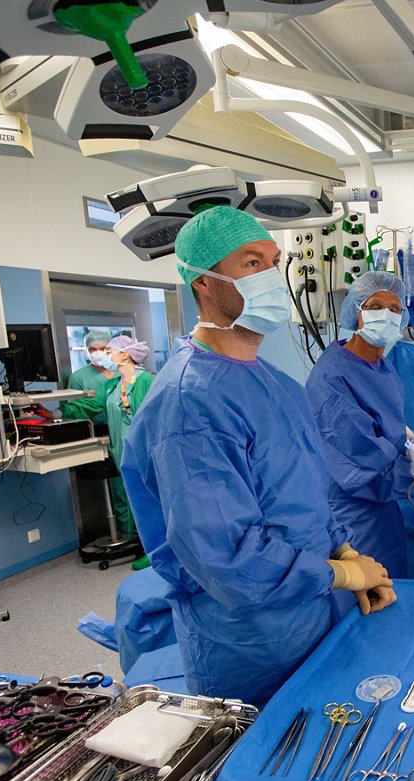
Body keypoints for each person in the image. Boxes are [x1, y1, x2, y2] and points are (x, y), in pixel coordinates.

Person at [121, 206, 396, 707]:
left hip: (313, 614)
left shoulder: (277, 384)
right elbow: (227, 559)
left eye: (274, 261)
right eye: (251, 263)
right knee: (264, 762)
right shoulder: (190, 404)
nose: (271, 277)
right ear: (203, 282)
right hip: (251, 642)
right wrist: (340, 576)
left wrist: (343, 552)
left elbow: (305, 494)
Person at [305, 271, 413, 576]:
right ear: (357, 311)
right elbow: (361, 461)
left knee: (391, 584)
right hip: (352, 515)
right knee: (362, 599)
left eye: (395, 309)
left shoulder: (383, 368)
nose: (386, 315)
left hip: (383, 509)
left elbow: (391, 434)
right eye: (376, 306)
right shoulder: (332, 377)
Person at [60, 330, 131, 527]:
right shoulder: (83, 379)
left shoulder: (134, 377)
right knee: (121, 490)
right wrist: (54, 416)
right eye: (93, 349)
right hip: (105, 437)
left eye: (104, 349)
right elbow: (76, 409)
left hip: (130, 436)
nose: (99, 353)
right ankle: (128, 532)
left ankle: (145, 540)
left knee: (140, 489)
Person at [103, 335, 154, 555]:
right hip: (121, 451)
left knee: (149, 496)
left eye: (109, 350)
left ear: (125, 354)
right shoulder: (112, 385)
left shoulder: (146, 381)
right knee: (126, 494)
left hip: (144, 451)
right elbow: (93, 406)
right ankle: (134, 539)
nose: (106, 355)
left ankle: (153, 548)